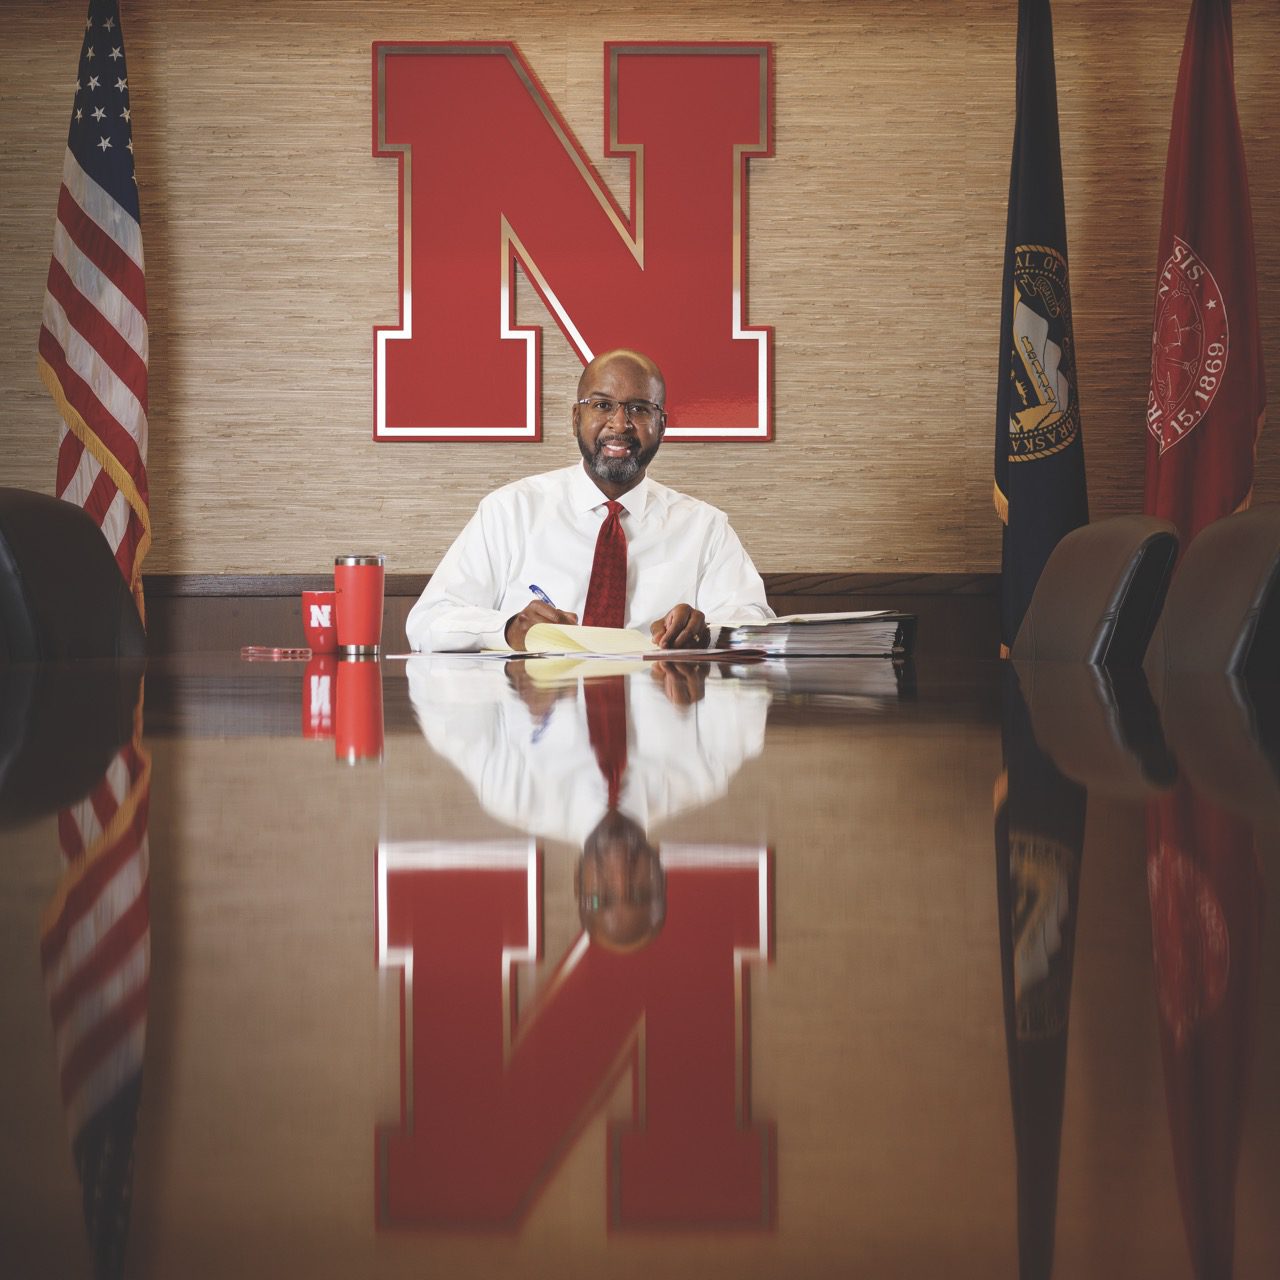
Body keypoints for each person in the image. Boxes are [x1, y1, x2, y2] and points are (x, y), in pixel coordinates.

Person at [405, 349, 773, 652]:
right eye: (601, 405)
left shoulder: (705, 527)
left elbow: (755, 626)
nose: (620, 424)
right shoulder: (509, 511)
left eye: (639, 408)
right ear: (575, 418)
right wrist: (507, 628)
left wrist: (706, 632)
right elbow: (427, 623)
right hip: (536, 712)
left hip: (660, 710)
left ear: (662, 426)